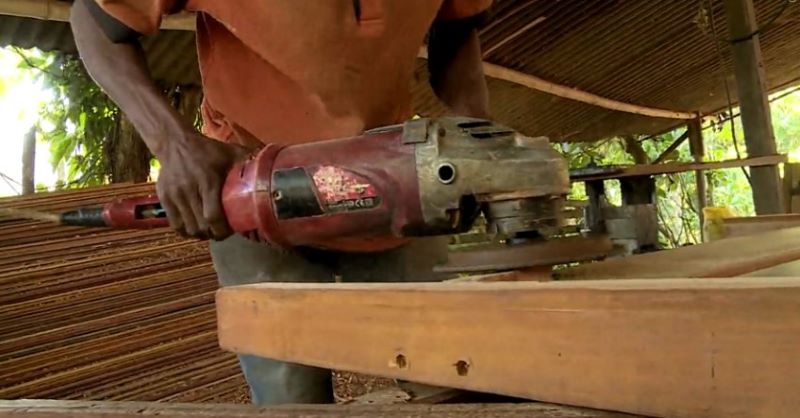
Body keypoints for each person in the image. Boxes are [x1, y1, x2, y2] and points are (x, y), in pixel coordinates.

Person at [70, 0, 491, 405]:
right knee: (290, 401)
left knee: (457, 377)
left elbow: (457, 32)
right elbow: (94, 20)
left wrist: (478, 138)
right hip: (251, 190)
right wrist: (173, 143)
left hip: (391, 183)